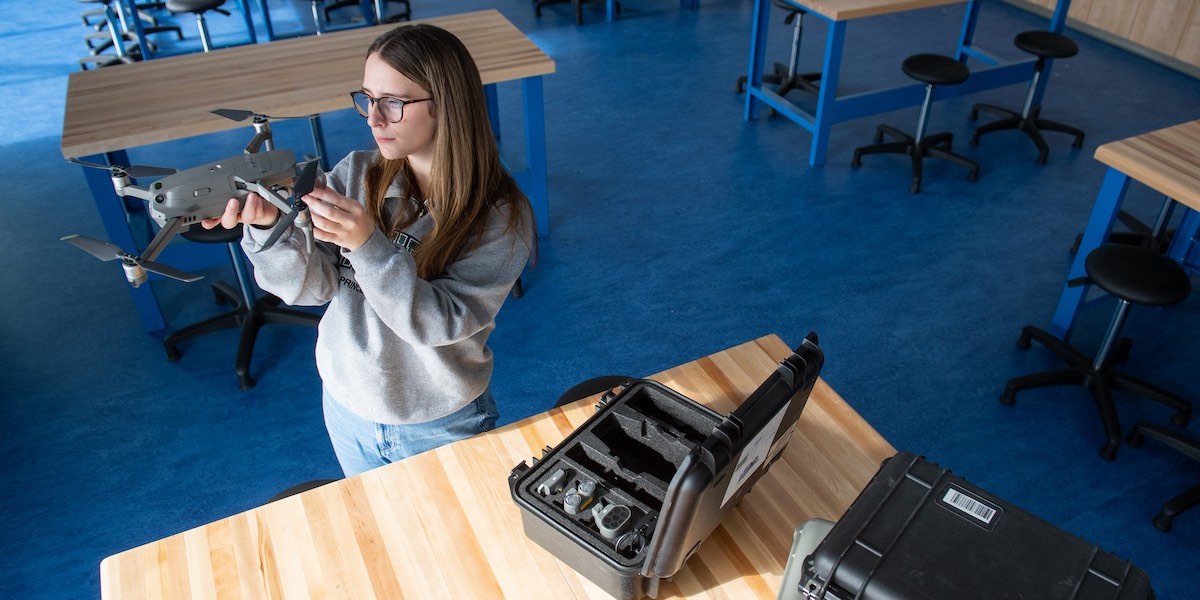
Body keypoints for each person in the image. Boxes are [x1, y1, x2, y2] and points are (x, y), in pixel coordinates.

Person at [202, 24, 536, 477]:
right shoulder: (357, 173)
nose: (373, 119)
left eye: (394, 103)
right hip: (347, 404)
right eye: (367, 98)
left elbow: (441, 324)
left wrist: (366, 245)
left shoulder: (501, 216)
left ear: (447, 105)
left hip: (438, 420)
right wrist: (270, 230)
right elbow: (312, 289)